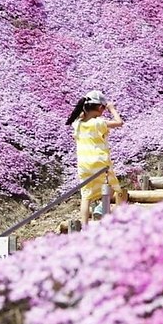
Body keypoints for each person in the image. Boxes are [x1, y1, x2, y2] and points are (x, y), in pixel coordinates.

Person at [66, 91, 128, 227]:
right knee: (112, 188)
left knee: (86, 195)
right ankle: (101, 208)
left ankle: (85, 227)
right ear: (100, 108)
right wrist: (112, 108)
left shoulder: (77, 124)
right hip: (100, 162)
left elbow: (82, 117)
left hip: (83, 164)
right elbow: (119, 122)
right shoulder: (98, 123)